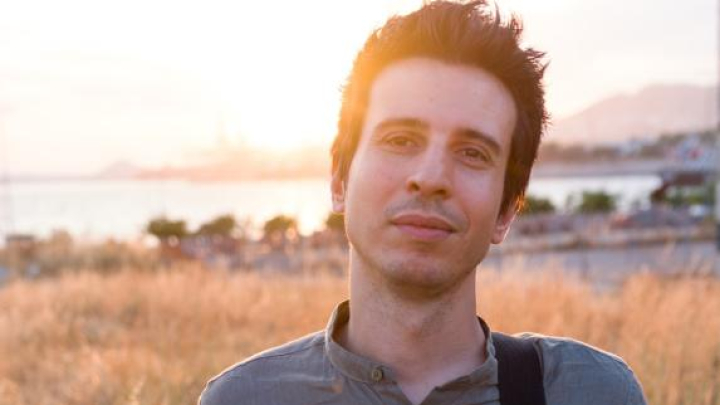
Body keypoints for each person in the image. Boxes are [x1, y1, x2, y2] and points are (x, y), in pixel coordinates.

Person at [198, 1, 647, 404]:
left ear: (507, 209)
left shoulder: (592, 391)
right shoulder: (244, 398)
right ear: (339, 178)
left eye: (473, 153)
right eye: (399, 140)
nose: (431, 179)